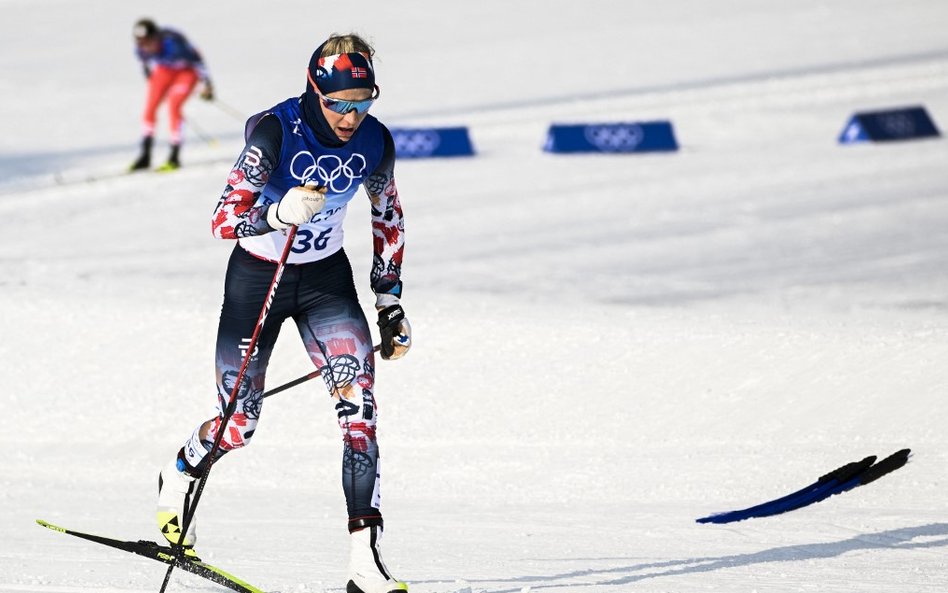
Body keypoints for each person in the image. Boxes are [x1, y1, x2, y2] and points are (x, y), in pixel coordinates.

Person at [155, 33, 411, 593]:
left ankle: (364, 562)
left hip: (324, 280)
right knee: (239, 424)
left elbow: (387, 213)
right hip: (257, 277)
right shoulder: (273, 131)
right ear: (315, 90)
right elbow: (223, 219)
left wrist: (388, 299)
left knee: (359, 412)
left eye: (363, 101)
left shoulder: (375, 141)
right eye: (340, 102)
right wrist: (275, 211)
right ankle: (180, 471)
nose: (351, 115)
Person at [130, 18, 214, 172]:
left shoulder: (174, 44)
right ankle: (145, 155)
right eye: (141, 43)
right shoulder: (140, 49)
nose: (145, 47)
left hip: (187, 72)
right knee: (150, 107)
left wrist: (207, 84)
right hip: (164, 70)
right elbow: (145, 66)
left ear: (157, 38)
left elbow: (198, 59)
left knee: (174, 106)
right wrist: (151, 78)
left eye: (148, 42)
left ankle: (174, 156)